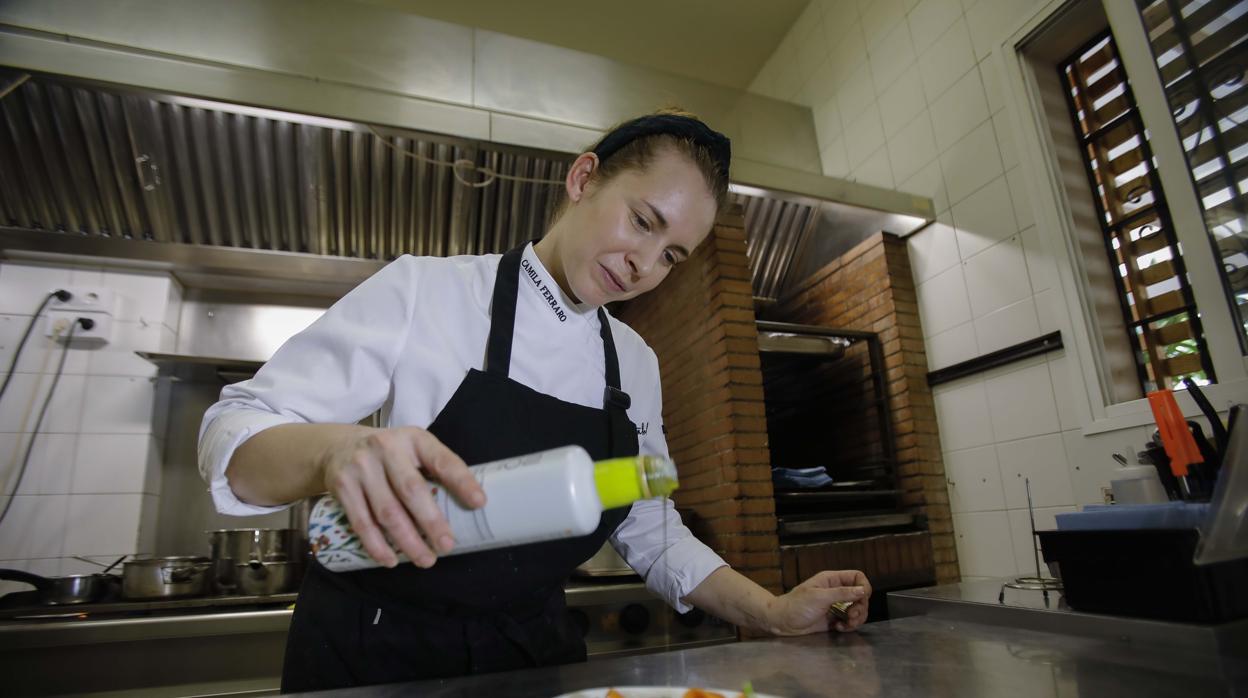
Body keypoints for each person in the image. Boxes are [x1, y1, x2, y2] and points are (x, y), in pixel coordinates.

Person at [198, 110, 872, 692]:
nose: (643, 265)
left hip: (533, 658)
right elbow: (234, 434)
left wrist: (772, 611)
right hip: (375, 652)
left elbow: (650, 527)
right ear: (583, 180)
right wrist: (332, 451)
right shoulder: (426, 294)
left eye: (671, 254)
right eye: (641, 221)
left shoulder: (635, 364)